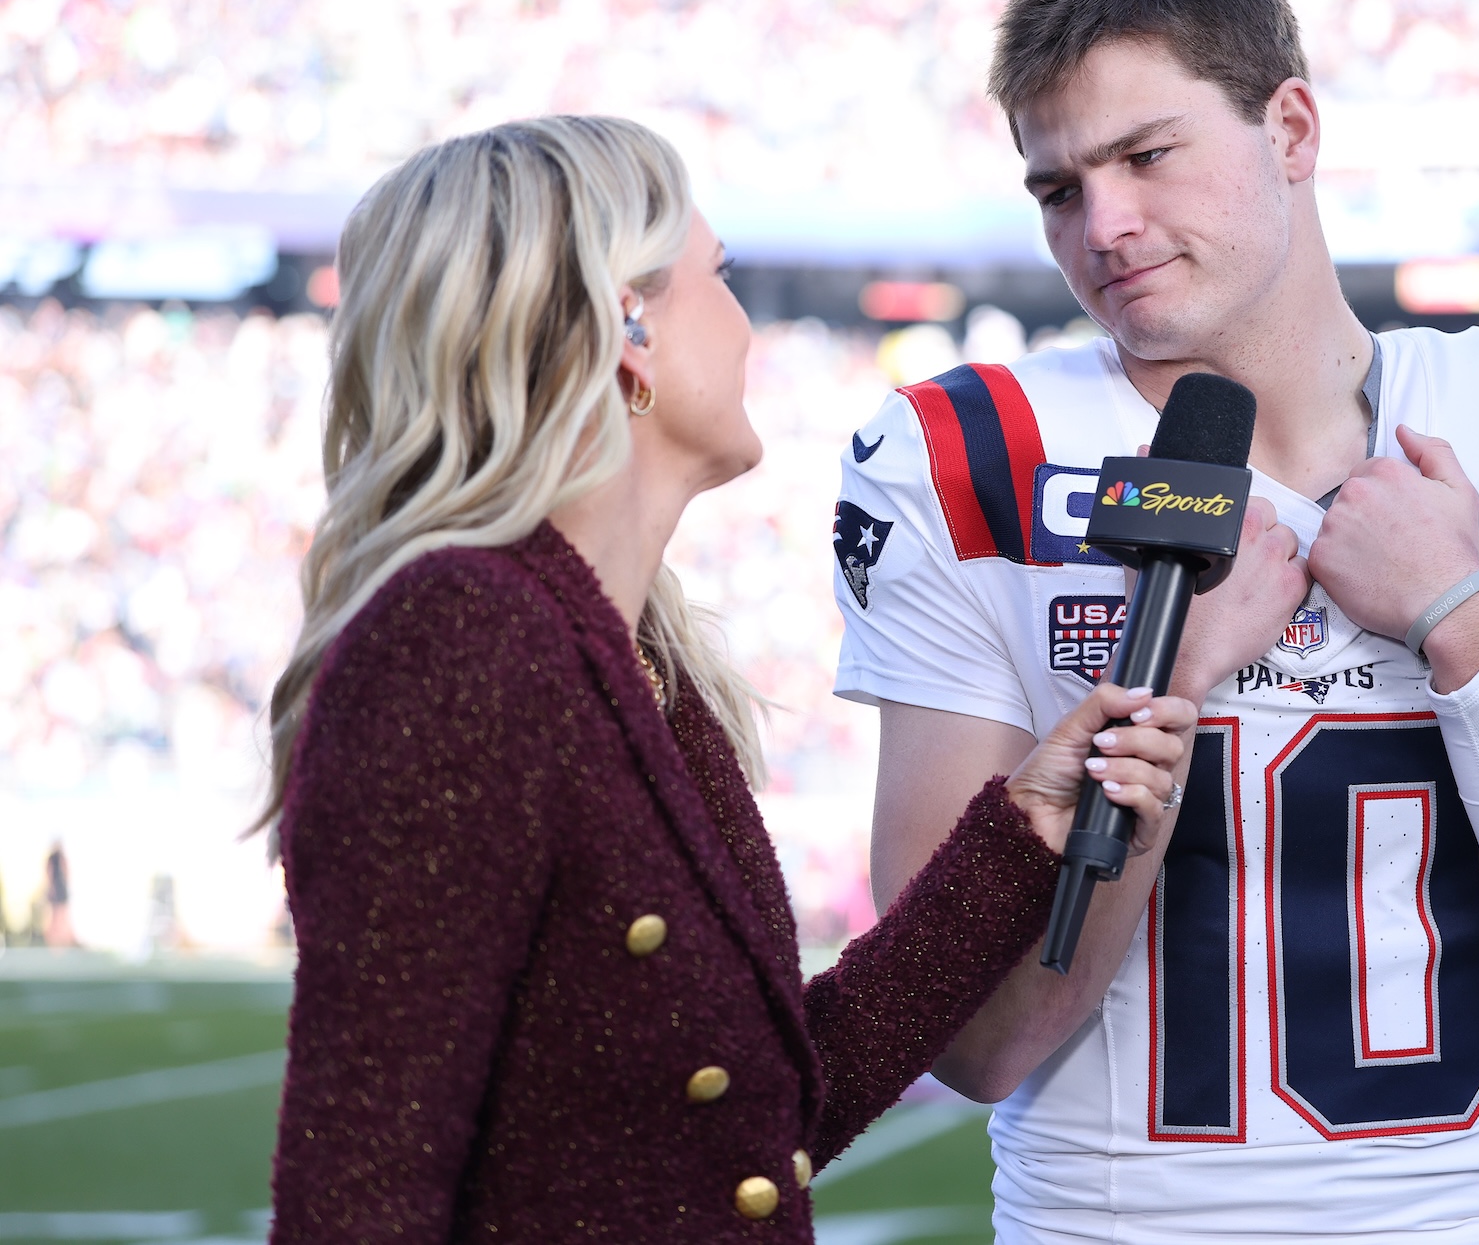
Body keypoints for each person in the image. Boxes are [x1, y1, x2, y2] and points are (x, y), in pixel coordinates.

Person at [834, 0, 1479, 1242]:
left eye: (1147, 155)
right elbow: (971, 1038)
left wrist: (1465, 621)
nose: (1103, 225)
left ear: (1290, 128)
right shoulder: (961, 457)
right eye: (1058, 188)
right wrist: (1165, 678)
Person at [259, 115, 1196, 1243]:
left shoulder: (639, 658)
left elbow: (757, 1118)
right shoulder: (460, 640)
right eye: (721, 275)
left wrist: (1023, 830)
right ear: (628, 326)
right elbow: (361, 1188)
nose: (750, 326)